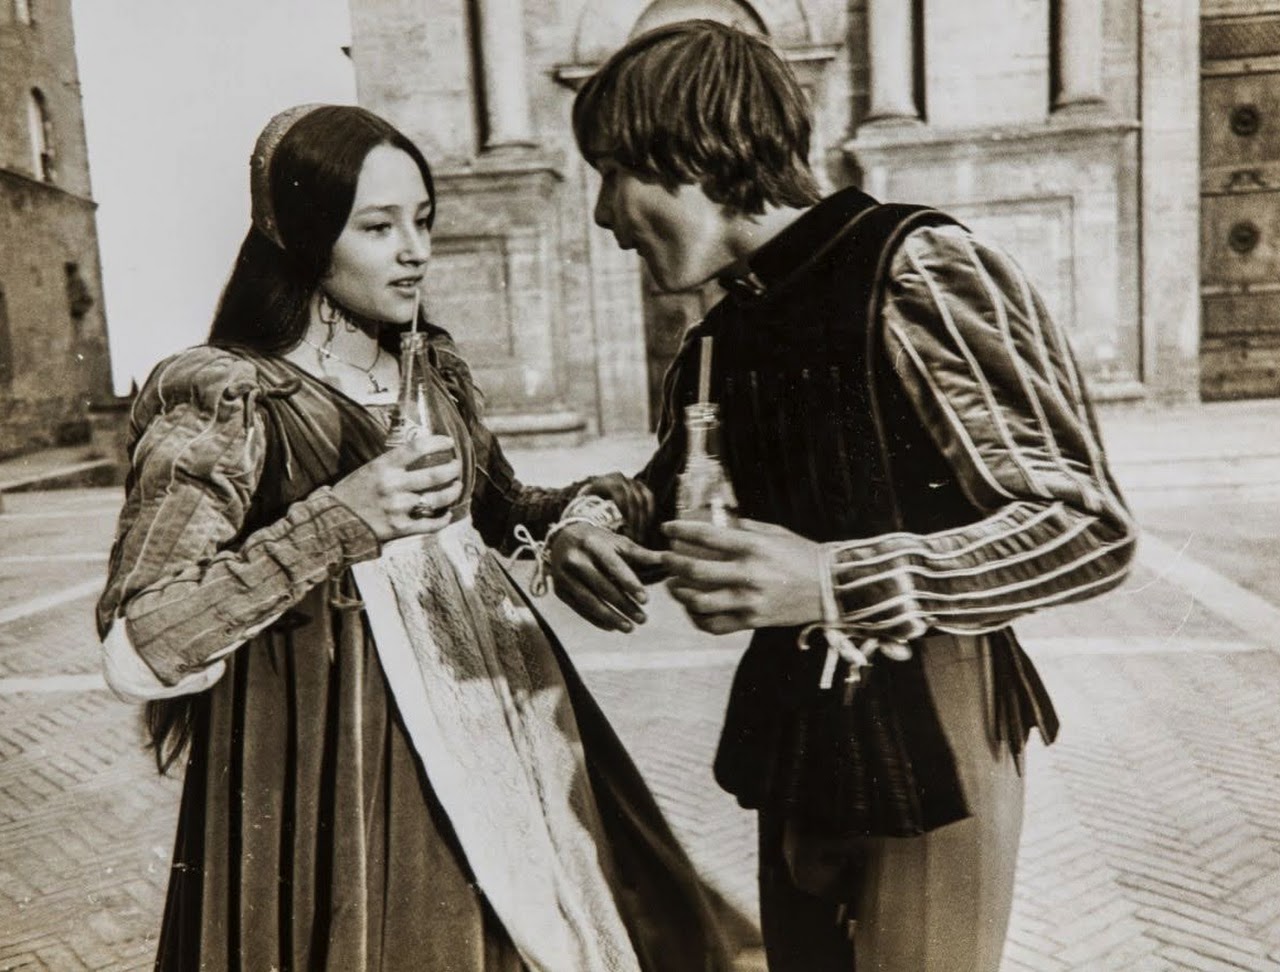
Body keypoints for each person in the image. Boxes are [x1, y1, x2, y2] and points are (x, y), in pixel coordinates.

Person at [552, 20, 1138, 972]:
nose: (604, 213)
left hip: (933, 728)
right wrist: (595, 521)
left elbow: (1086, 526)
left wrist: (833, 579)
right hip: (798, 729)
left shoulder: (921, 269)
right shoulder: (724, 331)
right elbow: (664, 485)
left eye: (615, 170)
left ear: (699, 149)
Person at [96, 103, 733, 972]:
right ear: (303, 234)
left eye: (423, 222)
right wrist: (339, 521)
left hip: (503, 736)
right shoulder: (228, 393)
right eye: (378, 226)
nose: (414, 250)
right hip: (339, 776)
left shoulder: (429, 370)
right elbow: (141, 643)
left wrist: (580, 522)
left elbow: (506, 509)